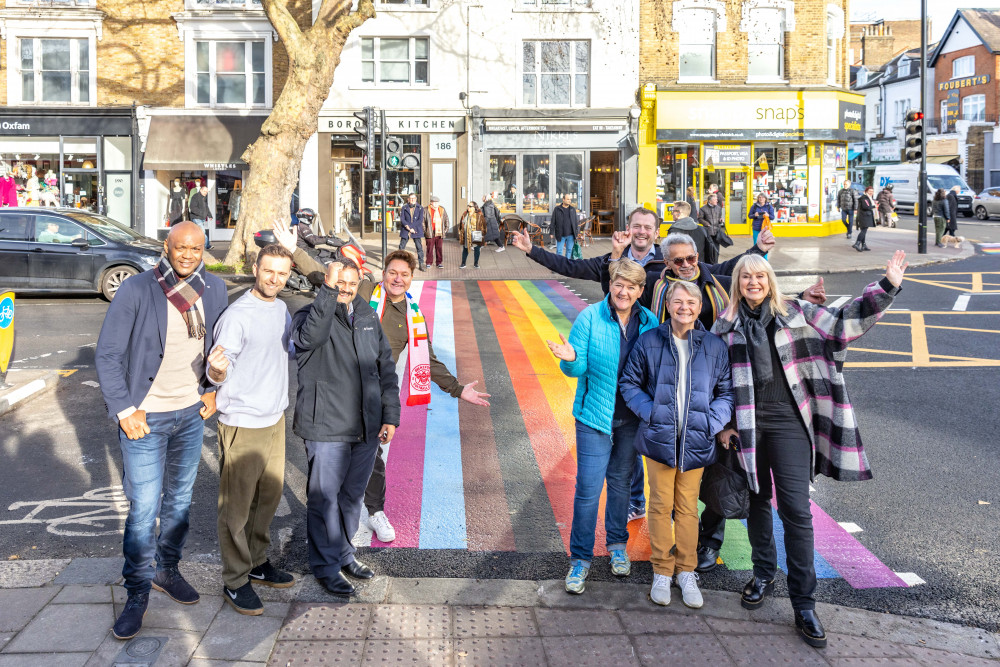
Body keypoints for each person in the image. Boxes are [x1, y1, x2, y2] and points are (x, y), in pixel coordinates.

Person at [711, 251, 908, 648]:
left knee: (797, 510)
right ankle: (763, 573)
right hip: (748, 424)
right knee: (757, 500)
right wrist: (724, 425)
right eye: (746, 277)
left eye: (760, 276)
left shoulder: (797, 311)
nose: (753, 282)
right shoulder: (725, 326)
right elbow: (718, 380)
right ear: (738, 284)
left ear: (769, 281)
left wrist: (886, 286)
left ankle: (804, 602)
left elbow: (843, 324)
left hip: (789, 420)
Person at [273, 224, 492, 542]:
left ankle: (375, 511)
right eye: (392, 272)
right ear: (384, 274)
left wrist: (458, 389)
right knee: (330, 460)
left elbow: (428, 360)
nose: (397, 278)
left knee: (371, 458)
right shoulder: (363, 293)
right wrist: (294, 251)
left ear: (411, 278)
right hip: (335, 389)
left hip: (371, 396)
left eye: (404, 274)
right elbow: (322, 276)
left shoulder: (412, 318)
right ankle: (329, 522)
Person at [644, 231, 826, 572]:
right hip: (692, 386)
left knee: (724, 478)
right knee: (696, 485)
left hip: (727, 382)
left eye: (691, 258)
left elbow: (757, 286)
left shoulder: (716, 279)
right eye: (678, 260)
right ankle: (685, 546)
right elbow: (618, 288)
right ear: (666, 262)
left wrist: (799, 294)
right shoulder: (655, 285)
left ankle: (710, 542)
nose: (686, 265)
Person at [95, 221, 228, 640]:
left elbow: (220, 349)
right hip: (145, 418)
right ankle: (136, 592)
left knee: (180, 503)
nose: (188, 255)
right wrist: (125, 410)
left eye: (196, 248)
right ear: (166, 247)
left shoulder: (215, 289)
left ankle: (166, 569)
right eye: (181, 247)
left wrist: (213, 390)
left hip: (190, 413)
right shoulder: (137, 289)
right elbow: (108, 354)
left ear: (204, 249)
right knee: (143, 509)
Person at [546, 259, 658, 594]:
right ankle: (579, 560)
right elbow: (577, 368)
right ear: (610, 284)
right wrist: (569, 358)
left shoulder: (649, 322)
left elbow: (653, 371)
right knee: (588, 491)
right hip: (595, 418)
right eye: (618, 284)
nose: (623, 291)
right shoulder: (590, 317)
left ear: (640, 291)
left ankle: (617, 547)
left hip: (630, 420)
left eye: (631, 286)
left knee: (621, 485)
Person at [620, 280, 734, 609]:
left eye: (692, 302)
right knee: (659, 506)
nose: (685, 307)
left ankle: (686, 571)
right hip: (660, 440)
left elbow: (726, 392)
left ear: (700, 308)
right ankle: (661, 570)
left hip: (696, 441)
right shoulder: (650, 341)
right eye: (678, 301)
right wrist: (651, 413)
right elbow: (629, 382)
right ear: (668, 305)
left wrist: (711, 423)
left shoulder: (714, 346)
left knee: (686, 509)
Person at [291, 259, 400, 596]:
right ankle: (325, 567)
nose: (345, 289)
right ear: (327, 282)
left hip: (365, 426)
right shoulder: (309, 316)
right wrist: (327, 292)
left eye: (351, 283)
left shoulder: (366, 315)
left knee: (352, 498)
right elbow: (310, 338)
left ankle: (343, 554)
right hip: (326, 425)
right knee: (324, 499)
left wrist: (389, 415)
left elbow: (385, 368)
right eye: (339, 282)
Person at [206, 243, 297, 616]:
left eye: (282, 273)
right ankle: (235, 580)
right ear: (255, 269)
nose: (274, 279)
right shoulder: (237, 316)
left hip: (274, 417)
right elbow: (217, 371)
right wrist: (216, 372)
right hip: (242, 421)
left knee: (267, 499)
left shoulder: (282, 309)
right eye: (268, 271)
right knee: (236, 509)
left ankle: (257, 562)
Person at [399, 193, 426, 269]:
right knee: (401, 247)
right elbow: (402, 219)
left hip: (416, 230)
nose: (412, 200)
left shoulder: (420, 208)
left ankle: (421, 264)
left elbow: (420, 220)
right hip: (406, 229)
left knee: (419, 247)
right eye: (411, 198)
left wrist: (411, 227)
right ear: (408, 199)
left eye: (413, 198)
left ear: (416, 199)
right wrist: (407, 227)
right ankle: (400, 263)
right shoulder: (404, 207)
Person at [459, 201, 487, 269]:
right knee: (465, 249)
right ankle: (463, 263)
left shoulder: (479, 215)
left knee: (477, 249)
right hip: (466, 234)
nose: (468, 207)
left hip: (476, 234)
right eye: (468, 206)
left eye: (470, 206)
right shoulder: (465, 214)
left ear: (474, 207)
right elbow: (461, 224)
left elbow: (484, 225)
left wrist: (482, 234)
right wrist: (460, 232)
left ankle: (476, 263)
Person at [424, 194, 449, 269]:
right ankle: (429, 262)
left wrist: (445, 230)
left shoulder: (442, 209)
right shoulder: (426, 209)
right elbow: (422, 221)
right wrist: (425, 231)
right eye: (434, 202)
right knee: (429, 248)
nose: (436, 204)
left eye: (437, 202)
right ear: (431, 202)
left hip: (439, 232)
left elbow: (446, 220)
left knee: (439, 248)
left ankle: (439, 262)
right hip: (430, 232)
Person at [551, 194, 578, 258]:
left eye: (570, 199)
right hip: (560, 234)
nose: (569, 201)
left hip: (571, 235)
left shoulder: (572, 209)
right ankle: (559, 266)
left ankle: (567, 265)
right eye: (568, 199)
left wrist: (576, 233)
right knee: (559, 251)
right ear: (563, 199)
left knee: (569, 251)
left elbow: (575, 222)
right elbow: (553, 221)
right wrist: (551, 232)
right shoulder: (557, 209)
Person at [189, 185, 214, 250]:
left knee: (198, 232)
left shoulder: (204, 197)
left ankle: (195, 245)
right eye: (204, 191)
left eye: (206, 192)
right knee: (202, 231)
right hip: (196, 217)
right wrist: (202, 213)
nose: (205, 193)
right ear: (200, 190)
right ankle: (206, 246)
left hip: (201, 218)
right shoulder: (195, 197)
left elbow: (206, 207)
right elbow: (193, 208)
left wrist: (209, 215)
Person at [854, 186, 876, 252]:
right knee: (863, 231)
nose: (871, 192)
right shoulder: (865, 198)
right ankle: (857, 243)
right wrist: (874, 206)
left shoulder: (868, 198)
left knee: (864, 231)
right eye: (869, 191)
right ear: (866, 191)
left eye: (872, 191)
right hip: (864, 217)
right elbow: (866, 207)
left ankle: (863, 245)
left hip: (864, 216)